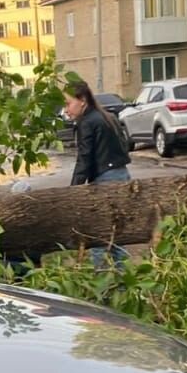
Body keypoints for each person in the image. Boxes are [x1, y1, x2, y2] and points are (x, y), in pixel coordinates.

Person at [64, 80, 130, 267]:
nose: (67, 110)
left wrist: (73, 191)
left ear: (82, 100)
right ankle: (126, 283)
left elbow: (84, 159)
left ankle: (102, 287)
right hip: (122, 176)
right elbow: (124, 147)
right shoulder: (108, 117)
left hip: (106, 181)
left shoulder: (87, 122)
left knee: (98, 236)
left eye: (68, 103)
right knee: (116, 236)